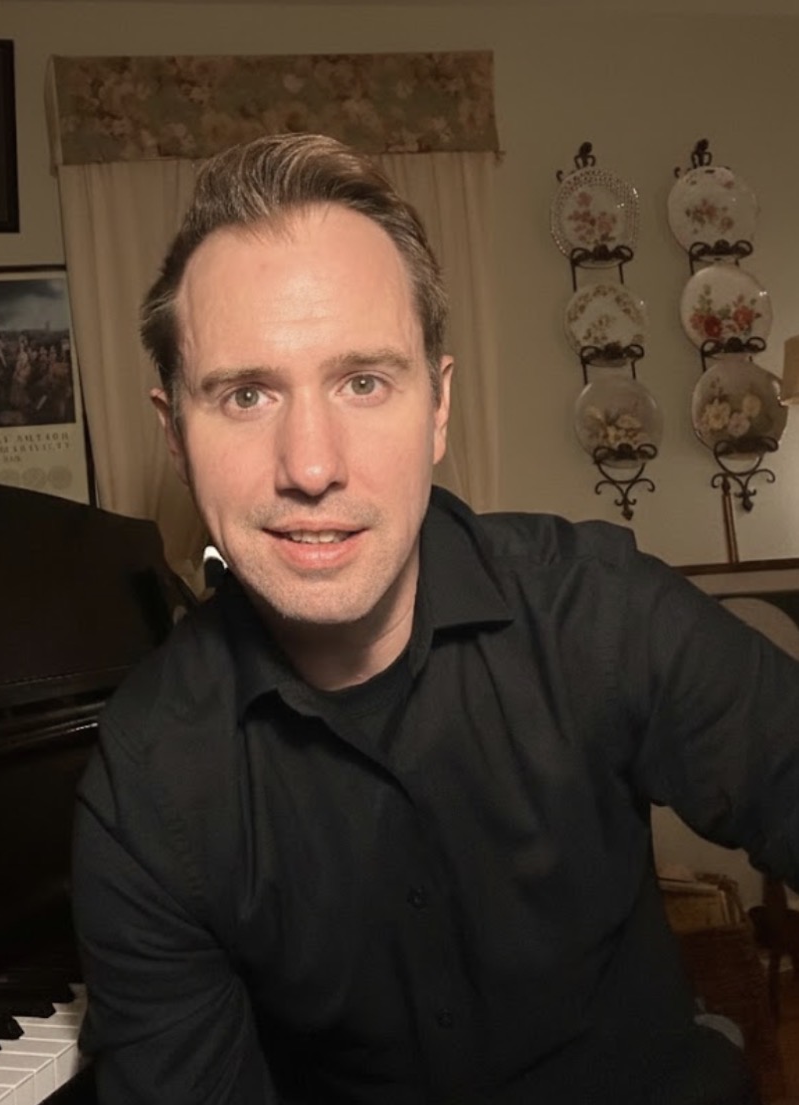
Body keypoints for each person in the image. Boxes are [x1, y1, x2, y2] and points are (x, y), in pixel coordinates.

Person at [71, 133, 799, 1105]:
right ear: (175, 434)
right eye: (245, 394)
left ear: (439, 406)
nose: (311, 465)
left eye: (363, 382)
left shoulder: (596, 609)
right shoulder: (149, 775)